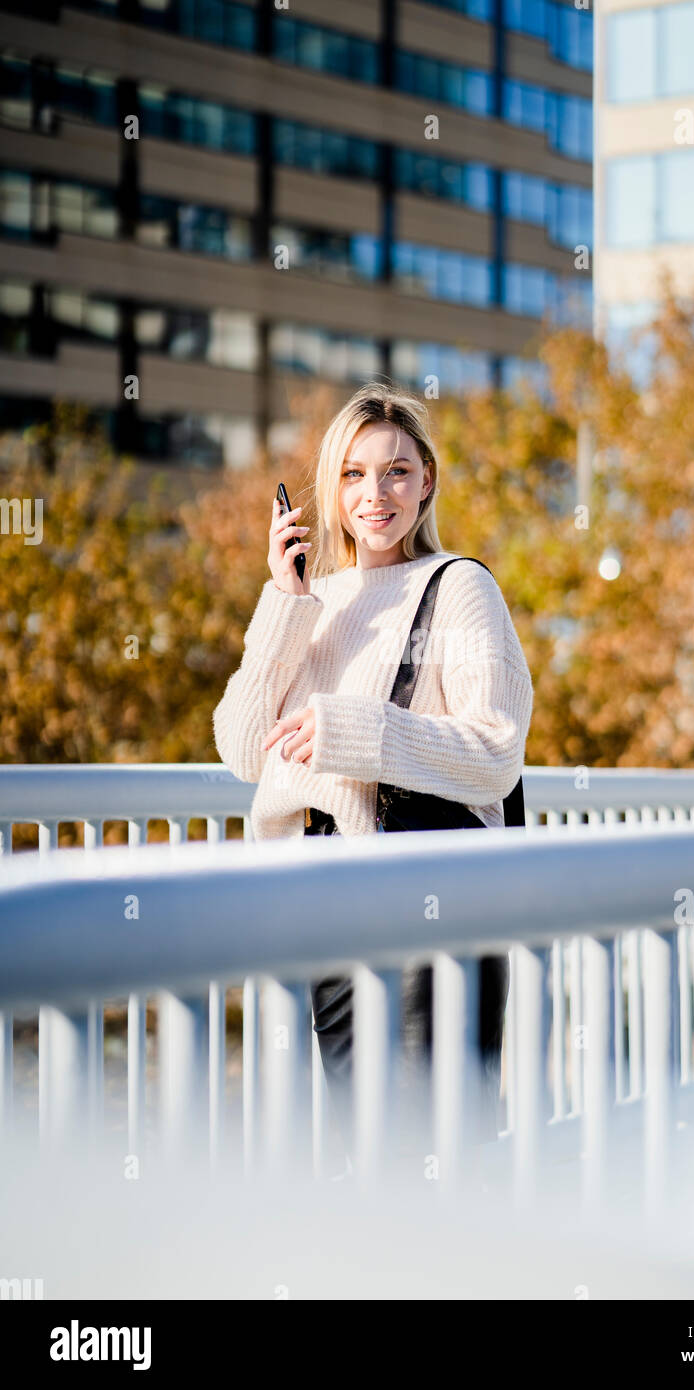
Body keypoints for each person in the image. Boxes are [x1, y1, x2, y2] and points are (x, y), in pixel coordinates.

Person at [213, 381, 534, 1169]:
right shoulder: (309, 600)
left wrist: (353, 730)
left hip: (433, 909)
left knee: (436, 1154)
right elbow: (243, 747)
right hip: (330, 904)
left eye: (395, 471)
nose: (375, 494)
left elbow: (495, 750)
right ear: (330, 489)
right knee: (369, 1161)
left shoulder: (459, 586)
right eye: (354, 474)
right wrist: (284, 604)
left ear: (427, 479)